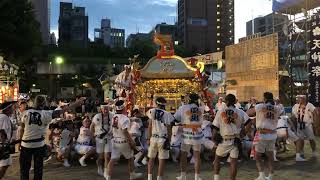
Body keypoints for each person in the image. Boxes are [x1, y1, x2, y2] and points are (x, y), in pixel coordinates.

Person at [18, 95, 84, 180]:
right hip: (38, 145)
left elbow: (22, 129)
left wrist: (20, 142)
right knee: (38, 170)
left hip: (25, 144)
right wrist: (76, 103)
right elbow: (63, 110)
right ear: (44, 103)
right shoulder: (46, 113)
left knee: (24, 170)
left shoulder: (26, 113)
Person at [212, 94, 250, 180]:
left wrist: (213, 137)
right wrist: (244, 132)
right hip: (235, 140)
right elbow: (249, 122)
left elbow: (215, 127)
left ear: (227, 101)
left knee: (217, 159)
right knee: (233, 162)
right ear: (234, 102)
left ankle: (216, 178)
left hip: (224, 140)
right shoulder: (240, 112)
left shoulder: (220, 111)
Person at [247, 92, 281, 180]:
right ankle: (271, 175)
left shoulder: (260, 106)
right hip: (273, 135)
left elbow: (248, 112)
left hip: (262, 134)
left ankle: (261, 175)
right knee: (270, 156)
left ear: (264, 99)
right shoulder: (277, 108)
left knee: (257, 156)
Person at [106, 100, 142, 180]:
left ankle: (108, 176)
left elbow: (118, 123)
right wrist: (131, 141)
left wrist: (132, 119)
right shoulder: (124, 118)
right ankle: (132, 175)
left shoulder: (114, 117)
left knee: (113, 159)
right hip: (123, 142)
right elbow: (124, 131)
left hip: (115, 141)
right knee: (130, 158)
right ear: (123, 108)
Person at [174, 93, 204, 180]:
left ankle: (183, 176)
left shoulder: (183, 107)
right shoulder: (201, 108)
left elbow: (175, 118)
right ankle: (197, 177)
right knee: (197, 156)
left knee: (183, 155)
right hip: (197, 134)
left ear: (189, 99)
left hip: (186, 134)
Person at [146, 97, 174, 180]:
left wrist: (148, 138)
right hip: (163, 139)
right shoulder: (167, 114)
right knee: (162, 160)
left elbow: (150, 126)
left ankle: (149, 177)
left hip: (153, 138)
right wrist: (169, 139)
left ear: (157, 103)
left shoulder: (152, 111)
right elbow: (169, 128)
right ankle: (159, 178)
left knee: (151, 158)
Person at [90, 104, 113, 177]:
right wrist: (92, 137)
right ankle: (99, 167)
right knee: (100, 157)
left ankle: (106, 172)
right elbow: (92, 126)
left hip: (108, 138)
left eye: (107, 109)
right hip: (99, 138)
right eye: (104, 109)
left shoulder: (112, 115)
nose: (106, 110)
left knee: (107, 156)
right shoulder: (97, 116)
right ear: (101, 109)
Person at [0, 101, 15, 179]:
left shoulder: (2, 117)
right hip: (3, 145)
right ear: (7, 109)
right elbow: (2, 131)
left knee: (5, 164)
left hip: (2, 143)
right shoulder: (4, 117)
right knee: (5, 164)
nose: (13, 110)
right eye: (11, 108)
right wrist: (5, 145)